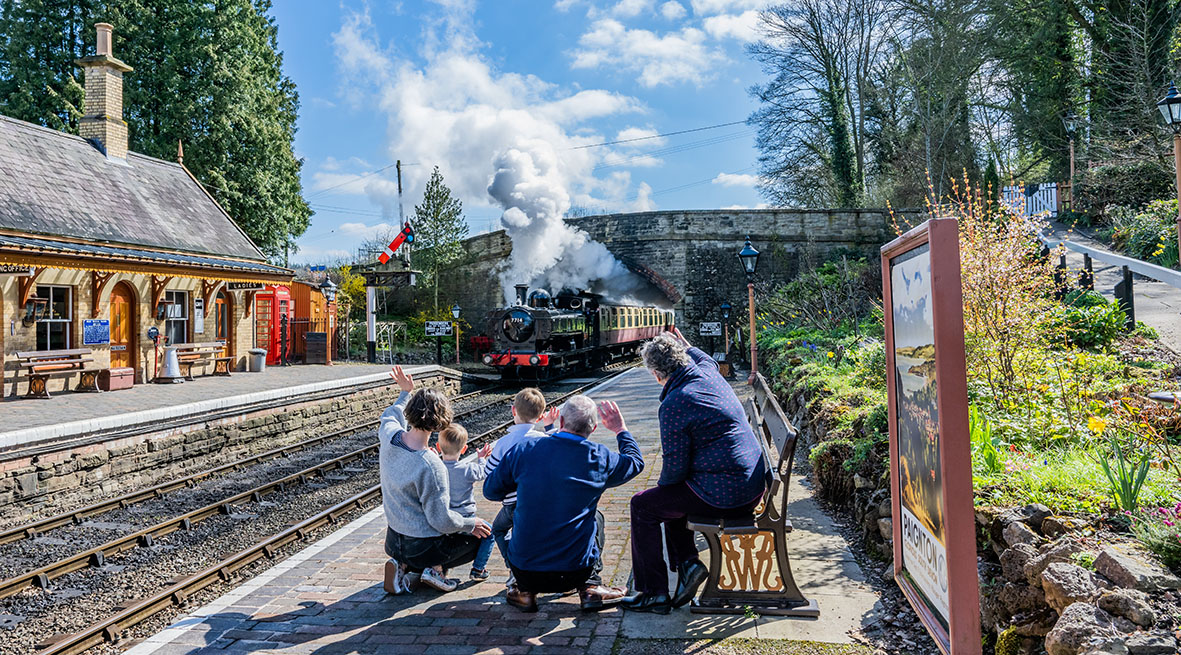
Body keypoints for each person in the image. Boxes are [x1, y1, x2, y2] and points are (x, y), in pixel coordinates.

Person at [622, 329, 767, 614]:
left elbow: (674, 470)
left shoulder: (675, 403)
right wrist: (684, 343)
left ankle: (654, 593)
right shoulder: (707, 371)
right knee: (671, 498)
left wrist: (661, 489)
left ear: (655, 374)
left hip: (729, 494)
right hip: (751, 482)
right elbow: (699, 354)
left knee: (644, 505)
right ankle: (688, 564)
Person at [484, 395, 643, 613]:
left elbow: (490, 491)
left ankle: (524, 592)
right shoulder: (600, 457)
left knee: (511, 524)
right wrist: (620, 429)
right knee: (595, 516)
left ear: (560, 423)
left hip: (526, 571)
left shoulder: (525, 450)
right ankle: (591, 587)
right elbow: (635, 462)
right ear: (594, 428)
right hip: (576, 571)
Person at [379, 366, 492, 595]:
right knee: (481, 536)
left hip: (394, 539)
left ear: (410, 412)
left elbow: (390, 414)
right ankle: (435, 571)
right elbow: (442, 521)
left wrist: (405, 392)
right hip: (422, 547)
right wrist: (471, 524)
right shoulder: (431, 465)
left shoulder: (389, 435)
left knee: (438, 530)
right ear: (441, 424)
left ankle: (400, 565)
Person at [483, 388, 557, 584]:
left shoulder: (503, 443)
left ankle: (514, 569)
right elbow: (559, 451)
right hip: (540, 504)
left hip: (512, 505)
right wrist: (549, 426)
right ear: (541, 416)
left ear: (513, 410)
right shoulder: (544, 440)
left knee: (498, 530)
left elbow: (488, 474)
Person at [436, 423, 495, 581]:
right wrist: (481, 458)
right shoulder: (468, 469)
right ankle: (478, 569)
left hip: (444, 518)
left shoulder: (436, 468)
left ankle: (441, 566)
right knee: (490, 535)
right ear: (464, 449)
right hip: (467, 519)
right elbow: (484, 472)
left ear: (438, 446)